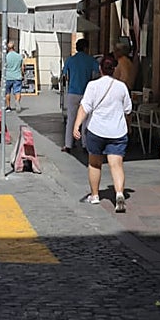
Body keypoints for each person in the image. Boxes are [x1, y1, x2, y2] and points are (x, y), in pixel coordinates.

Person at [73, 55, 133, 213]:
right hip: (118, 131)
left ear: (100, 69)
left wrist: (76, 125)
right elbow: (128, 109)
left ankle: (94, 195)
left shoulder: (93, 86)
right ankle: (119, 194)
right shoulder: (122, 87)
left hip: (97, 130)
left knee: (94, 163)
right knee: (116, 165)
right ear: (114, 69)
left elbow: (84, 107)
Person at [61, 38, 100, 153]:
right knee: (85, 120)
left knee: (71, 119)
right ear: (86, 48)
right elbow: (98, 72)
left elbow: (64, 75)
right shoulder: (91, 60)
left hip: (72, 92)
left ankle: (68, 144)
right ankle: (85, 144)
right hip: (86, 93)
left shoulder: (70, 60)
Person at [3, 41, 24, 112]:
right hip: (17, 76)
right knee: (17, 91)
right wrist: (22, 74)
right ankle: (17, 101)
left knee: (7, 92)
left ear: (7, 48)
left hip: (8, 77)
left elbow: (4, 68)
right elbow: (22, 67)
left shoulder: (6, 57)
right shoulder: (19, 56)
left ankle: (8, 107)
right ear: (14, 47)